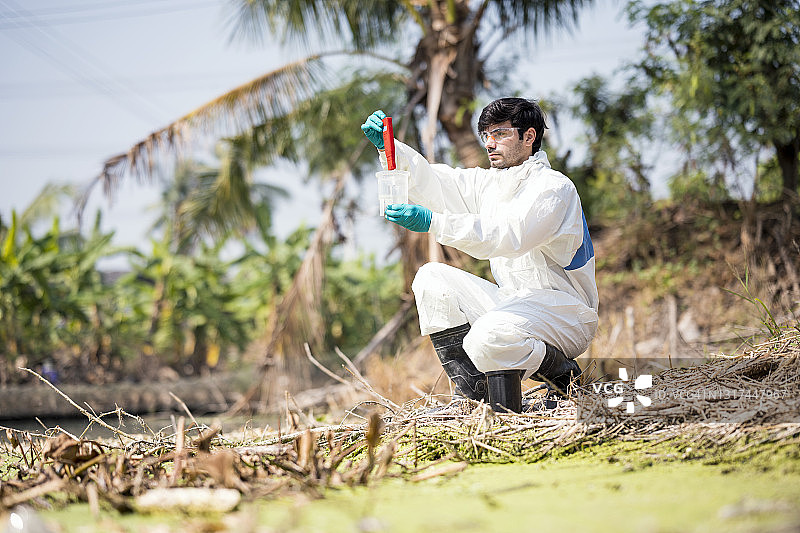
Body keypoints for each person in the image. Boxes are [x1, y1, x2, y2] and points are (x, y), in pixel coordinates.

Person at [360, 98, 598, 412]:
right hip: (515, 304)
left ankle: (562, 377)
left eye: (500, 133)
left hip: (565, 314)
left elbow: (508, 235)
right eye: (485, 134)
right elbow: (435, 183)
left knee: (487, 336)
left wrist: (434, 222)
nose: (489, 142)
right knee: (432, 279)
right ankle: (476, 396)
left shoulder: (553, 189)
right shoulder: (489, 185)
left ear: (529, 137)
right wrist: (390, 148)